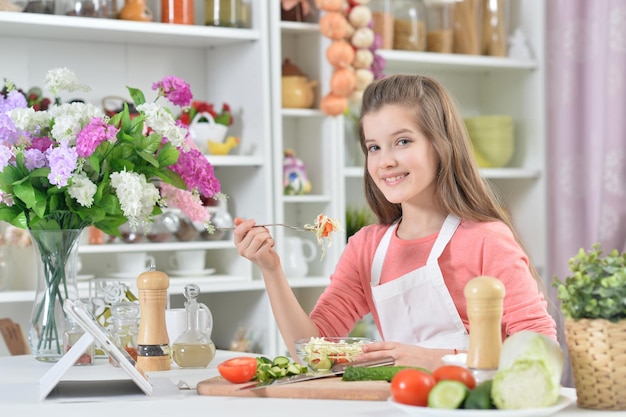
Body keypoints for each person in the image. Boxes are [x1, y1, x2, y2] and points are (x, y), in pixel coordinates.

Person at [233, 74, 557, 370]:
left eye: (403, 141)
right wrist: (271, 269)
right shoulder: (366, 248)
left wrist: (432, 361)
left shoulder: (486, 240)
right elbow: (315, 350)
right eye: (374, 147)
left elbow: (540, 352)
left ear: (440, 145)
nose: (385, 161)